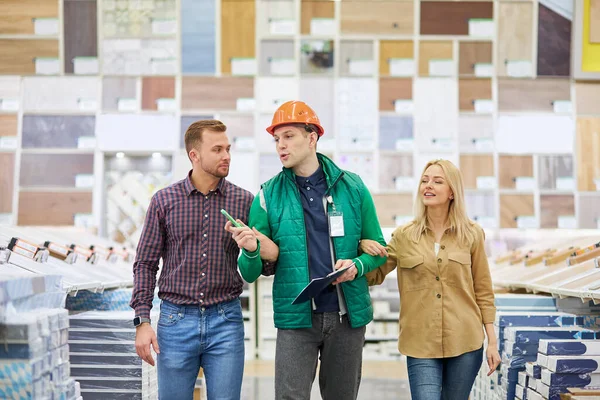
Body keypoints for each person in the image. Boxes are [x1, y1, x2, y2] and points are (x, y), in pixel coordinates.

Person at [225, 100, 387, 400]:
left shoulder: (352, 187)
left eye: (288, 136)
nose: (280, 146)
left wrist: (357, 266)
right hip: (296, 318)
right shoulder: (267, 196)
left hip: (347, 317)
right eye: (276, 139)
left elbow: (379, 249)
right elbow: (250, 272)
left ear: (312, 138)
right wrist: (249, 251)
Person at [130, 119, 266, 400]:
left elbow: (258, 265)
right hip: (175, 321)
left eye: (228, 148)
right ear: (194, 155)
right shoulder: (164, 201)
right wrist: (142, 321)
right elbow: (145, 263)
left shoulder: (244, 201)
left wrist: (253, 250)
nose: (226, 155)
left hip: (226, 320)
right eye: (217, 149)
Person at [361, 159, 501, 400]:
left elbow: (483, 290)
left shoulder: (472, 234)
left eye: (437, 181)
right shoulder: (404, 236)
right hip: (420, 342)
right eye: (425, 181)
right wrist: (362, 245)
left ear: (452, 192)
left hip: (465, 341)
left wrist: (492, 342)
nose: (428, 185)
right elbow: (375, 274)